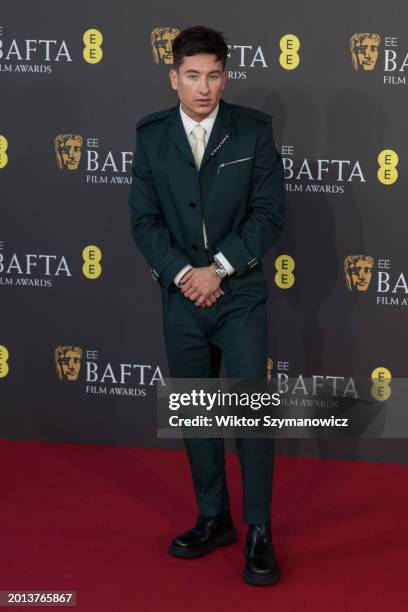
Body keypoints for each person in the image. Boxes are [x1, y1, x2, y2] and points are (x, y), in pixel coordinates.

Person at [128, 25, 285, 586]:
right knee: (196, 414)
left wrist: (216, 269)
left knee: (249, 416)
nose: (204, 87)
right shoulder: (150, 137)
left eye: (214, 75)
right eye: (192, 75)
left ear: (226, 75)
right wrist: (183, 276)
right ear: (174, 77)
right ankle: (214, 518)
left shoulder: (254, 133)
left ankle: (260, 529)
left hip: (238, 294)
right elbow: (143, 222)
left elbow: (269, 215)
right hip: (181, 297)